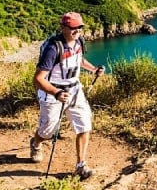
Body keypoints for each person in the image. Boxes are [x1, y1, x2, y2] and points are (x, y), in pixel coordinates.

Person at [30, 12, 105, 180]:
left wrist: (93, 69)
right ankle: (36, 144)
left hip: (75, 90)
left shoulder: (78, 42)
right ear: (63, 28)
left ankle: (81, 165)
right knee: (47, 131)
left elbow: (79, 60)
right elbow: (38, 79)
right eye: (73, 28)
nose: (77, 30)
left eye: (80, 27)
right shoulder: (52, 49)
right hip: (53, 94)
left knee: (84, 125)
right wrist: (56, 93)